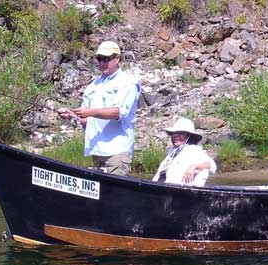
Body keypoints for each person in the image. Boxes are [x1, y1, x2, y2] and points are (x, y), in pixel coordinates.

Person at [57, 41, 140, 176]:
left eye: (106, 59)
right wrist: (71, 115)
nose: (102, 63)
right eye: (99, 59)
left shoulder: (128, 83)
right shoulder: (93, 86)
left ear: (117, 59)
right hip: (97, 151)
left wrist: (91, 112)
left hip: (117, 152)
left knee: (115, 194)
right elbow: (87, 121)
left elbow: (118, 112)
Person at [151, 117, 217, 187]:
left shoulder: (193, 149)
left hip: (175, 191)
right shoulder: (172, 151)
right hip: (159, 187)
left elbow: (212, 165)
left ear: (189, 136)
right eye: (175, 133)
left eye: (181, 133)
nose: (176, 136)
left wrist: (194, 166)